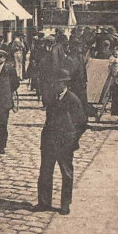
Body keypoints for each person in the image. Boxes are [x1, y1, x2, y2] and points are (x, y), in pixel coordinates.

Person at [34, 68, 88, 215]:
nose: (54, 85)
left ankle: (65, 204)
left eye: (57, 83)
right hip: (49, 142)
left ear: (64, 83)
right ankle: (43, 202)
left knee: (66, 174)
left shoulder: (73, 100)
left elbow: (82, 123)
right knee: (45, 172)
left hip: (65, 144)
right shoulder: (52, 98)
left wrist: (72, 140)